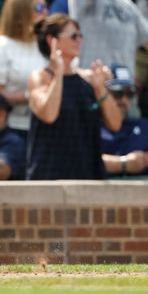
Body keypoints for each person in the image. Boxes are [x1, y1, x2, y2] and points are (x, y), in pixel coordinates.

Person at [26, 14, 122, 180]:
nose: (79, 40)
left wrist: (100, 87)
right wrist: (58, 73)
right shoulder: (40, 77)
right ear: (52, 40)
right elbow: (48, 115)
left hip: (89, 174)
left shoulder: (88, 79)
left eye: (80, 36)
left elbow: (115, 124)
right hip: (49, 176)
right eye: (73, 36)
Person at [0, 0, 48, 133]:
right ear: (21, 12)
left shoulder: (46, 44)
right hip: (12, 128)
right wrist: (31, 96)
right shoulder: (0, 47)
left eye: (45, 6)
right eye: (39, 7)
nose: (45, 12)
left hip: (45, 126)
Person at [101, 65, 148, 178]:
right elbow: (82, 161)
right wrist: (124, 163)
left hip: (141, 193)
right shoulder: (91, 125)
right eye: (118, 93)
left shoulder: (143, 127)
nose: (124, 100)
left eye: (129, 93)